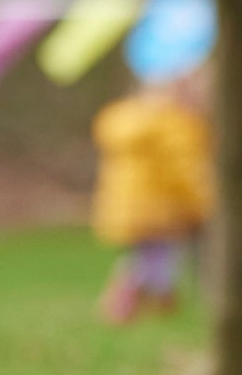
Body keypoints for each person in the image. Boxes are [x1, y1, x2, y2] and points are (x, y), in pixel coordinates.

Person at [90, 66, 212, 321]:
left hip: (127, 207)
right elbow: (183, 172)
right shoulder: (174, 124)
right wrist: (203, 200)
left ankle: (157, 301)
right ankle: (140, 297)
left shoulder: (125, 118)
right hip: (162, 207)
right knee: (158, 258)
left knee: (148, 255)